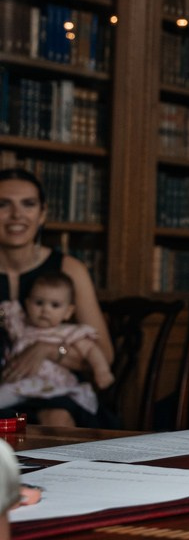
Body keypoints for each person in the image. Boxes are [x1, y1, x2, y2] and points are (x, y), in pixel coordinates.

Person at [0, 168, 113, 428]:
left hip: (57, 395)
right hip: (6, 391)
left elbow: (104, 356)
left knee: (56, 417)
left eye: (28, 204)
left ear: (42, 215)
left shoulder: (69, 269)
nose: (17, 215)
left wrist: (49, 349)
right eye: (3, 205)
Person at [0, 272, 114, 424]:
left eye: (55, 305)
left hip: (54, 385)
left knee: (57, 415)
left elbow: (90, 349)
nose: (45, 310)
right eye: (39, 303)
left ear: (68, 312)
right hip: (20, 383)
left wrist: (102, 371)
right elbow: (8, 314)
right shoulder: (22, 329)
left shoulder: (66, 332)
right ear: (27, 304)